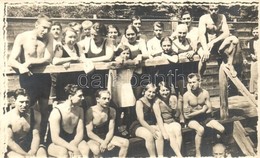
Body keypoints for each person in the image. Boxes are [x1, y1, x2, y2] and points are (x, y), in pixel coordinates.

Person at [8, 14, 53, 143]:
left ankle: (43, 141)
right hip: (28, 79)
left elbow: (48, 58)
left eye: (48, 28)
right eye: (44, 28)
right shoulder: (22, 37)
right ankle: (26, 140)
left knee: (44, 111)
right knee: (27, 109)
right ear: (36, 25)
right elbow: (11, 60)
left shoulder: (48, 37)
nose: (46, 31)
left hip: (44, 78)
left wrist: (30, 61)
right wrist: (21, 66)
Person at [183, 73, 225, 157]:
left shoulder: (205, 93)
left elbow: (209, 110)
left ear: (199, 82)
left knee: (221, 128)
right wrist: (201, 110)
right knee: (200, 129)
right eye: (190, 82)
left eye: (194, 82)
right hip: (192, 120)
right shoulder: (186, 96)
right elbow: (186, 116)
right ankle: (198, 153)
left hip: (205, 118)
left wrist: (195, 111)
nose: (192, 85)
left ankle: (216, 148)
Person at [47, 84, 90, 157]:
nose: (83, 98)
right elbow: (55, 138)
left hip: (73, 141)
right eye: (80, 96)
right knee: (63, 152)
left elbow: (80, 133)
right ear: (70, 97)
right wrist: (73, 149)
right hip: (57, 144)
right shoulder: (56, 111)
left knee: (85, 148)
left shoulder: (80, 110)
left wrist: (73, 146)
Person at [2, 88, 47, 157]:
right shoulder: (7, 118)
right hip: (14, 150)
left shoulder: (35, 115)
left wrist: (32, 152)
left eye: (27, 102)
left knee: (42, 154)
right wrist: (26, 155)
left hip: (31, 147)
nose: (24, 105)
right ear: (14, 101)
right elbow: (10, 142)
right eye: (21, 102)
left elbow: (36, 136)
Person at [85, 90, 129, 157]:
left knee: (125, 142)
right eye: (104, 98)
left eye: (108, 99)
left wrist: (106, 142)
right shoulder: (90, 112)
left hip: (106, 136)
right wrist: (103, 143)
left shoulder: (111, 111)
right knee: (96, 150)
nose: (107, 101)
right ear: (97, 99)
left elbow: (111, 130)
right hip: (93, 138)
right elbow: (89, 133)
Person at [108, 45, 137, 137]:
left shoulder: (131, 62)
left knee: (129, 108)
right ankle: (119, 128)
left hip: (128, 86)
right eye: (123, 53)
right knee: (119, 108)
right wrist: (117, 58)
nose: (126, 55)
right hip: (119, 87)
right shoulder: (118, 61)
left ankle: (128, 127)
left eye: (128, 53)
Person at [129, 84, 164, 157]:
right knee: (149, 136)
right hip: (138, 125)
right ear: (144, 91)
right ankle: (152, 156)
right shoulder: (139, 102)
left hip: (150, 124)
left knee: (159, 134)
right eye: (149, 91)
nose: (151, 94)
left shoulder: (154, 100)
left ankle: (161, 156)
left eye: (153, 92)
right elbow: (141, 120)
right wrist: (151, 130)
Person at [197, 5, 230, 76]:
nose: (213, 12)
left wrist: (213, 42)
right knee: (203, 57)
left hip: (215, 42)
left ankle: (224, 78)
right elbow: (201, 35)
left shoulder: (222, 17)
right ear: (208, 9)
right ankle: (199, 77)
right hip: (204, 42)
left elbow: (227, 33)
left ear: (219, 9)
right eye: (211, 9)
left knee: (225, 55)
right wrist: (205, 49)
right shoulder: (203, 18)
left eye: (215, 9)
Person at [118, 24, 149, 99]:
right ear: (125, 35)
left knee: (137, 96)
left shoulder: (140, 43)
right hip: (126, 75)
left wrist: (140, 56)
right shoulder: (122, 45)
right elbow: (115, 55)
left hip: (138, 73)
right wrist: (118, 58)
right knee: (127, 97)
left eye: (132, 34)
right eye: (128, 34)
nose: (130, 36)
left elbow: (146, 54)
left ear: (136, 34)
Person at [153, 81, 183, 157]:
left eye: (167, 90)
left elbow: (176, 114)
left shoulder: (171, 98)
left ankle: (176, 155)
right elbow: (158, 117)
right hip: (163, 123)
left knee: (178, 130)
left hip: (171, 121)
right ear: (158, 91)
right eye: (163, 90)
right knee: (170, 132)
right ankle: (179, 156)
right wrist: (163, 132)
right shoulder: (157, 101)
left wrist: (175, 106)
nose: (165, 92)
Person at [49, 22, 63, 103]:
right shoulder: (49, 43)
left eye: (58, 29)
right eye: (53, 29)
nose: (56, 31)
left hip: (62, 71)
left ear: (61, 31)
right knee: (52, 96)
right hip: (51, 72)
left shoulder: (62, 42)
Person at [247, 27, 259, 98]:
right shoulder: (251, 41)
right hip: (255, 61)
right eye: (254, 32)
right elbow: (250, 51)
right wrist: (252, 55)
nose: (255, 34)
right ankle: (256, 92)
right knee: (254, 76)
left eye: (257, 32)